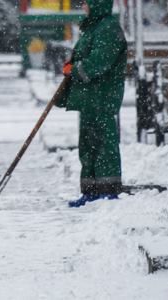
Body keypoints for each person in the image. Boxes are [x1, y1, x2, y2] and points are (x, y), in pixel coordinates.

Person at [55, 0, 127, 208]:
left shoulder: (108, 29)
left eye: (87, 2)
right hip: (89, 98)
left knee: (104, 145)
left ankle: (108, 190)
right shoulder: (94, 27)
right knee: (88, 145)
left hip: (102, 97)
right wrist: (72, 64)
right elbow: (85, 55)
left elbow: (99, 62)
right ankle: (91, 190)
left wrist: (76, 69)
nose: (83, 6)